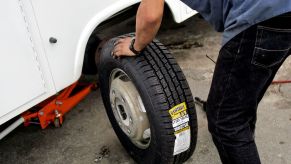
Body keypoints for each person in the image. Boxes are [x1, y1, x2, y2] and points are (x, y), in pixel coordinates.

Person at [113, 0, 291, 163]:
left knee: (226, 122)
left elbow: (150, 16)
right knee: (239, 106)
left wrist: (135, 46)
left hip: (262, 15)